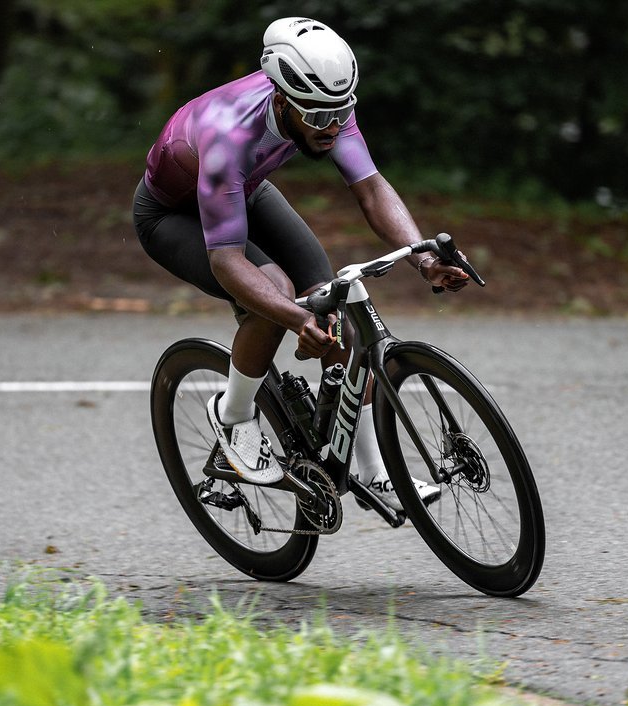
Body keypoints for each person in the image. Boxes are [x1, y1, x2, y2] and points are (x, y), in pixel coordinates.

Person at [133, 17, 469, 512]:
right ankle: (234, 413)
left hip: (243, 190)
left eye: (342, 113)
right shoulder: (229, 137)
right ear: (283, 98)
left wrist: (422, 255)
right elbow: (226, 262)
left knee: (339, 314)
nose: (332, 128)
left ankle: (375, 475)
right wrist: (294, 317)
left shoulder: (324, 104)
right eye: (317, 119)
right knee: (274, 290)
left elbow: (372, 189)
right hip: (171, 214)